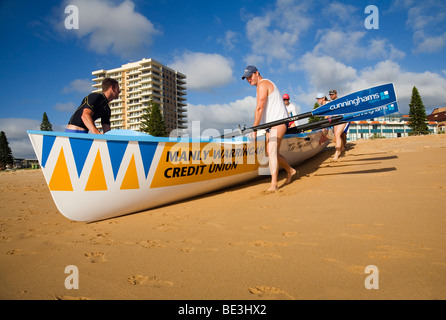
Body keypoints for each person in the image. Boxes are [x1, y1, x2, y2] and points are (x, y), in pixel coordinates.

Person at [242, 65, 296, 191]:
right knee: (272, 152)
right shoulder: (260, 86)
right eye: (246, 78)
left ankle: (274, 184)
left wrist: (254, 130)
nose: (249, 79)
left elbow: (259, 108)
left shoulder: (263, 84)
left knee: (271, 151)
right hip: (269, 124)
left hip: (279, 121)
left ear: (257, 73)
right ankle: (290, 170)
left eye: (250, 76)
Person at [329, 89, 348, 159]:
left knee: (337, 135)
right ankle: (342, 148)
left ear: (336, 94)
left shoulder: (340, 101)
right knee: (337, 136)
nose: (331, 96)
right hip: (335, 120)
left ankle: (337, 152)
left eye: (332, 94)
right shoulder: (330, 103)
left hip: (342, 119)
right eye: (330, 95)